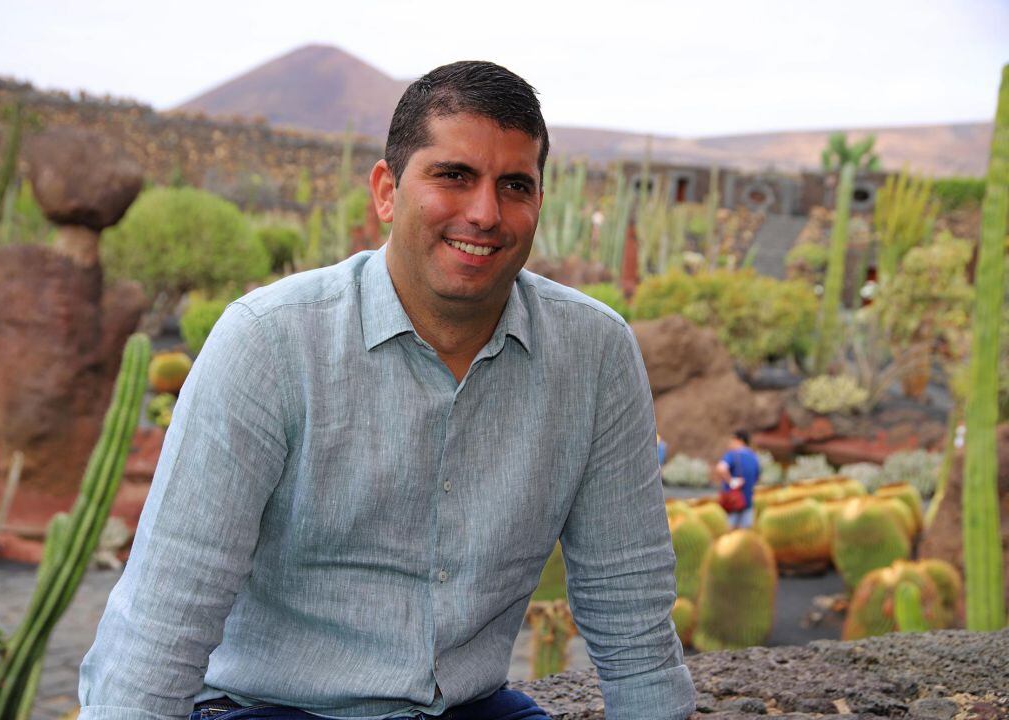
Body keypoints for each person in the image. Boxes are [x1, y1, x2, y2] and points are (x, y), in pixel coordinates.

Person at [79, 60, 694, 720]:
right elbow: (167, 607)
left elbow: (628, 599)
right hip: (271, 708)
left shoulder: (594, 352)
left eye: (514, 185)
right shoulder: (270, 342)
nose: (485, 212)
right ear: (385, 191)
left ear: (539, 202)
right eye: (454, 176)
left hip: (470, 708)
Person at [715, 430, 761, 529]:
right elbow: (757, 477)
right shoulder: (754, 457)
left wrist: (731, 481)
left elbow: (721, 468)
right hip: (748, 502)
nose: (730, 443)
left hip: (732, 503)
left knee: (729, 534)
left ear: (739, 440)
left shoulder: (732, 455)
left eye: (732, 440)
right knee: (745, 537)